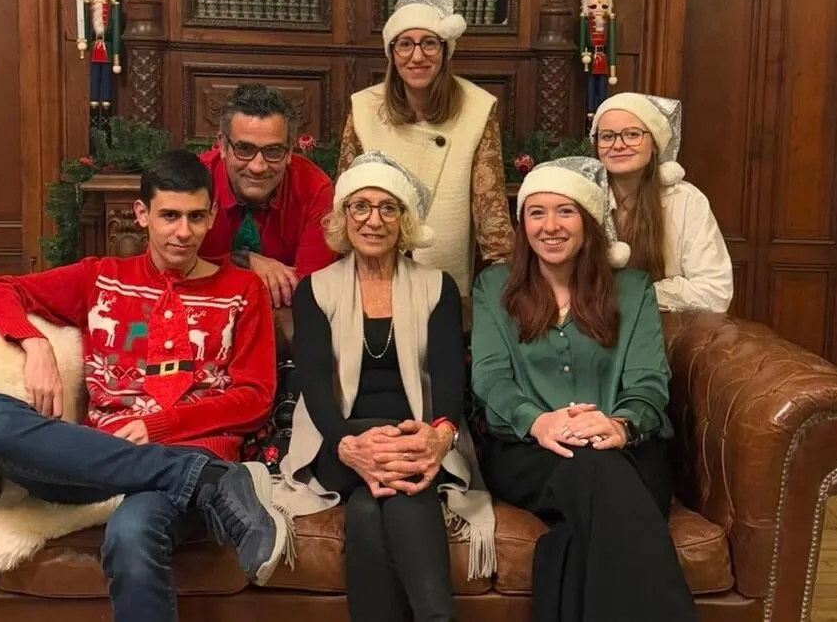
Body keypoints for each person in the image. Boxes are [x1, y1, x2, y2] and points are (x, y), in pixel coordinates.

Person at [0, 150, 287, 622]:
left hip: (191, 448)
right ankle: (197, 478)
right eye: (169, 216)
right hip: (98, 460)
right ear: (142, 213)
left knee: (131, 533)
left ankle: (189, 473)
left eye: (196, 217)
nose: (183, 232)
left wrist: (158, 426)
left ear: (213, 215)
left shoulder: (242, 290)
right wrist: (35, 343)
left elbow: (254, 399)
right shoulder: (101, 277)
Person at [271, 152, 495, 622]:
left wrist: (440, 435)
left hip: (418, 438)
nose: (373, 220)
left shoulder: (437, 287)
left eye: (388, 208)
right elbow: (314, 384)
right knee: (406, 482)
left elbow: (449, 376)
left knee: (369, 510)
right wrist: (348, 444)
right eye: (361, 207)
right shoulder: (316, 289)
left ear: (404, 220)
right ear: (343, 216)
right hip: (336, 442)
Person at [471, 157, 697, 622]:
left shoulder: (632, 289)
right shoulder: (494, 287)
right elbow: (490, 378)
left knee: (576, 532)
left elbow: (648, 380)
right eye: (536, 213)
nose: (550, 226)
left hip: (627, 450)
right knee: (596, 474)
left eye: (565, 211)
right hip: (528, 451)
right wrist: (538, 421)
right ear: (523, 225)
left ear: (589, 222)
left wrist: (620, 424)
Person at [337, 0, 514, 295]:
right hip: (373, 274)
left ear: (445, 51)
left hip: (444, 276)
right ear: (392, 53)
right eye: (405, 44)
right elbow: (345, 200)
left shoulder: (478, 107)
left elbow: (491, 208)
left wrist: (504, 278)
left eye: (429, 43)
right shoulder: (364, 108)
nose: (417, 56)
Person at [199, 83, 337, 308]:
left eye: (273, 151)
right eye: (244, 149)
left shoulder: (315, 189)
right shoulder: (195, 180)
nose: (258, 166)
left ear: (290, 151)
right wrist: (242, 262)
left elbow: (313, 289)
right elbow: (172, 268)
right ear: (222, 145)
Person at [592, 92, 733, 312]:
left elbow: (714, 291)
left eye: (632, 134)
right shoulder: (583, 198)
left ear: (655, 144)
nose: (618, 145)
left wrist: (637, 295)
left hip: (664, 325)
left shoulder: (685, 200)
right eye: (607, 136)